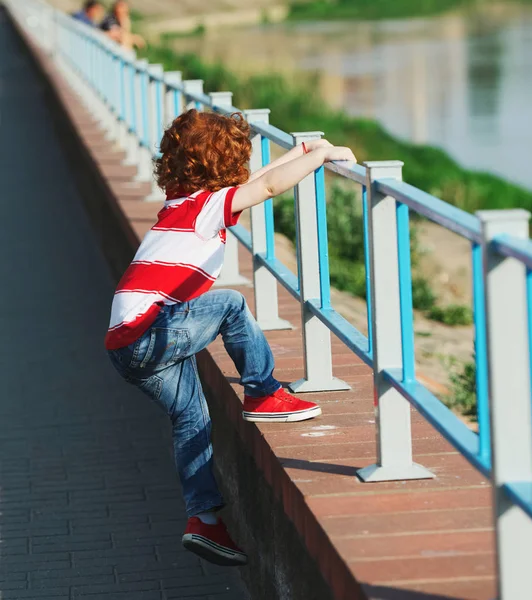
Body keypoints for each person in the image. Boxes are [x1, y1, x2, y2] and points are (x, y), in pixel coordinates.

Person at [106, 109, 356, 566]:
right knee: (231, 305)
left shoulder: (183, 204)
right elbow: (267, 187)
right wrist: (320, 158)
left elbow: (259, 180)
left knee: (193, 419)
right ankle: (263, 393)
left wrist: (302, 150)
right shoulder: (204, 209)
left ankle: (204, 521)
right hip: (150, 333)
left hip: (128, 344)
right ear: (225, 164)